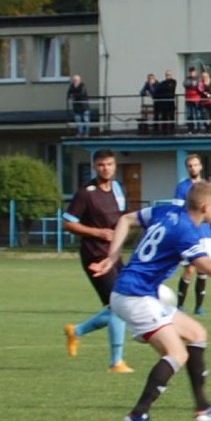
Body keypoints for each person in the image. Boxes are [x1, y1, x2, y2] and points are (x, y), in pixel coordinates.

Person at [90, 182, 211, 421]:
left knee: (196, 334)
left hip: (138, 293)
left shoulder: (166, 211)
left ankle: (203, 408)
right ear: (204, 206)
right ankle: (138, 413)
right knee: (176, 354)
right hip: (135, 297)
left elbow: (125, 220)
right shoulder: (186, 232)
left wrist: (113, 257)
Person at [62, 149, 133, 373]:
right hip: (94, 255)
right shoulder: (86, 193)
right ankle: (116, 362)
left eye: (109, 164)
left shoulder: (119, 188)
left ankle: (77, 332)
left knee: (123, 305)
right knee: (117, 307)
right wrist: (97, 233)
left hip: (114, 255)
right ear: (95, 167)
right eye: (101, 165)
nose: (106, 168)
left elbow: (123, 218)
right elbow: (69, 222)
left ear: (115, 166)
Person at [173, 153, 211, 316]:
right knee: (190, 269)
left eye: (195, 165)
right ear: (187, 168)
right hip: (190, 233)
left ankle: (199, 307)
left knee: (203, 270)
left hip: (205, 234)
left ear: (201, 166)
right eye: (190, 166)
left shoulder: (207, 187)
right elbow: (177, 210)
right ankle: (180, 305)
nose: (193, 168)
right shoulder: (182, 187)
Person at [153, 70, 177, 135]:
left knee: (171, 117)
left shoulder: (173, 82)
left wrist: (161, 88)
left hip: (170, 102)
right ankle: (164, 131)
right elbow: (157, 91)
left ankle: (172, 130)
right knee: (164, 117)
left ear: (171, 75)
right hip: (164, 103)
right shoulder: (162, 83)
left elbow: (168, 89)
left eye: (169, 75)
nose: (167, 76)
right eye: (166, 75)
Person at [183, 66, 203, 134]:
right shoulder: (187, 79)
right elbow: (185, 84)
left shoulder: (198, 79)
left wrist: (193, 86)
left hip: (197, 99)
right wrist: (193, 85)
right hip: (189, 99)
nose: (192, 73)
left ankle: (199, 129)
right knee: (189, 115)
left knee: (198, 115)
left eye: (193, 72)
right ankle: (190, 129)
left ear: (195, 72)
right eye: (190, 72)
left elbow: (199, 87)